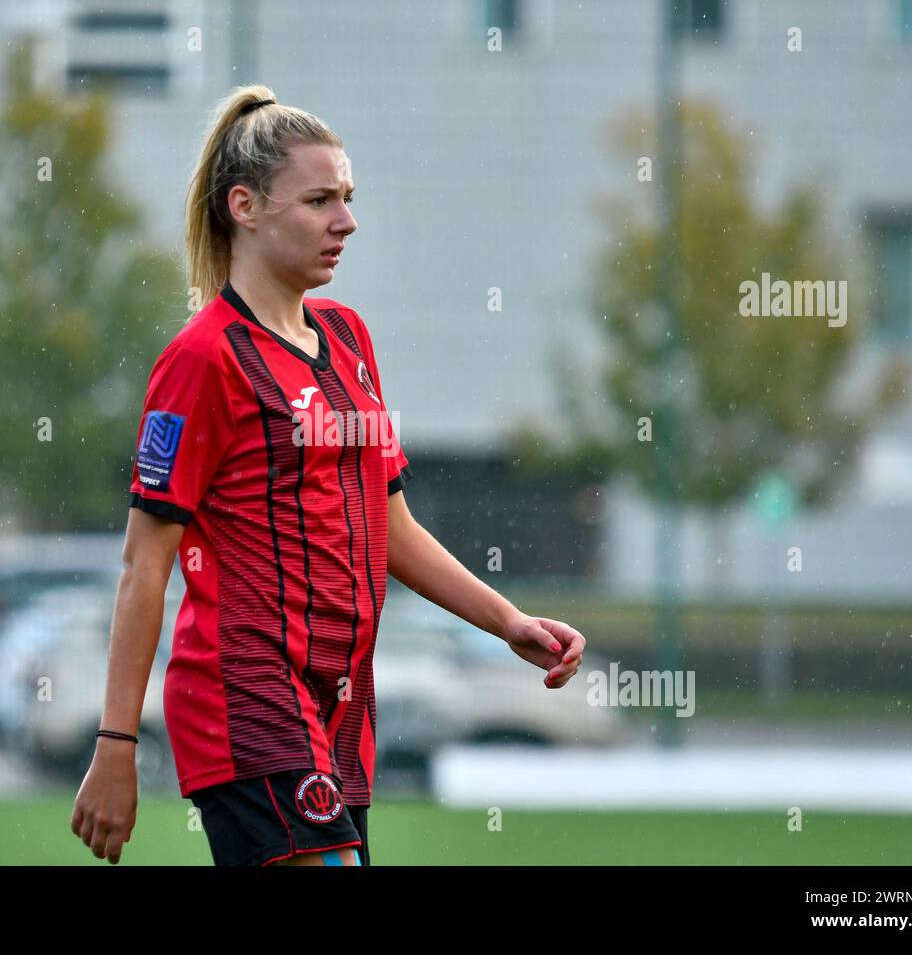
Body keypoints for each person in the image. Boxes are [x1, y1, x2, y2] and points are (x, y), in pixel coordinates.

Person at [71, 85, 587, 866]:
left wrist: (507, 621)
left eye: (347, 198)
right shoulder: (203, 360)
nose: (346, 221)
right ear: (243, 206)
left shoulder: (348, 340)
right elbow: (145, 564)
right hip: (245, 693)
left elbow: (393, 530)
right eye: (319, 201)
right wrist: (116, 743)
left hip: (343, 704)